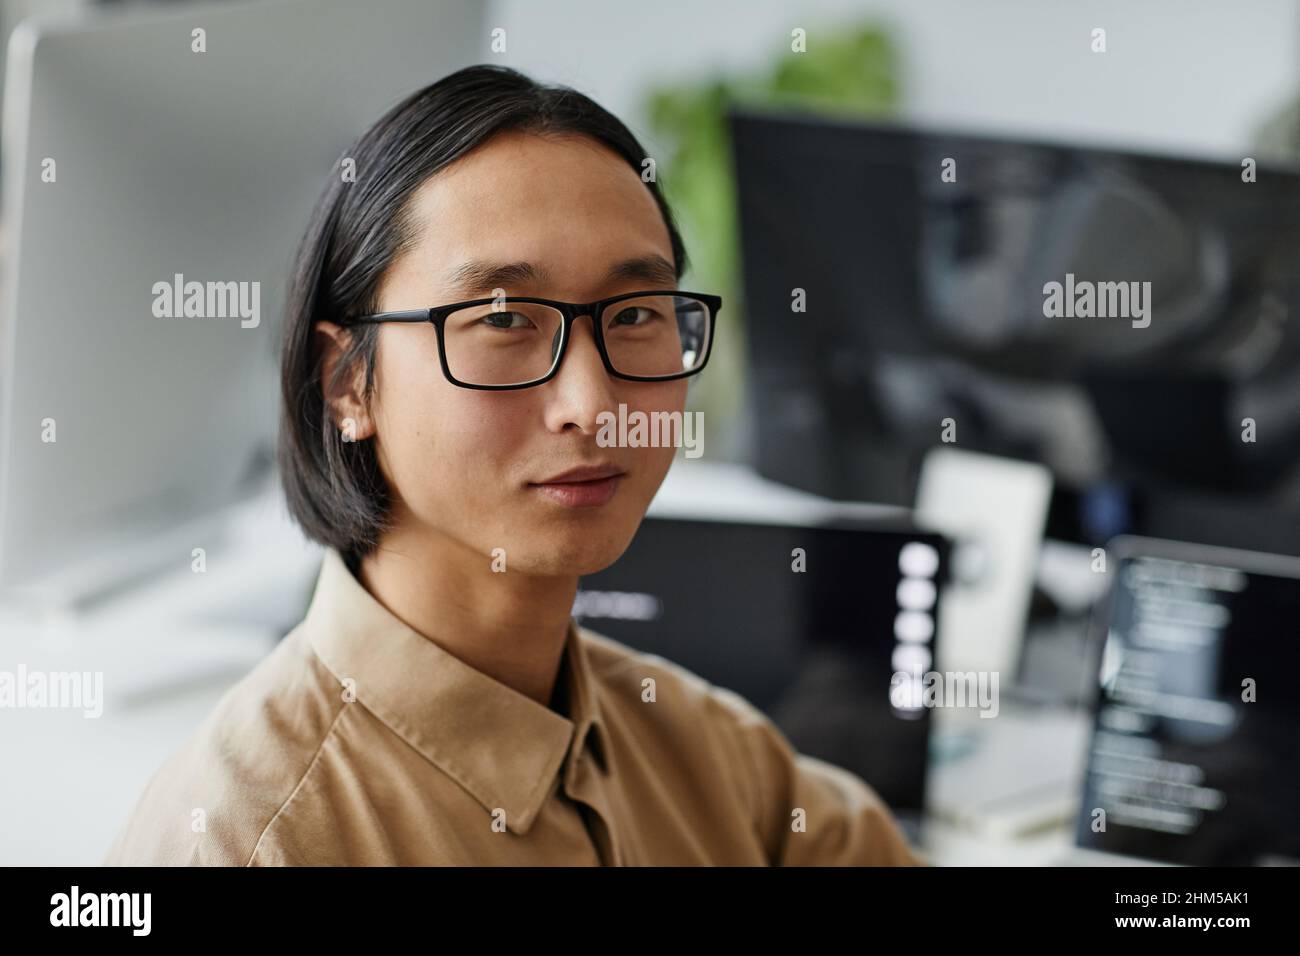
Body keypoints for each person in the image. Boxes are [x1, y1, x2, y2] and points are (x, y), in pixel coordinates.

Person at [104, 64, 921, 866]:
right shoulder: (250, 839)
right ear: (348, 382)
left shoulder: (713, 759)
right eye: (502, 320)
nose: (592, 406)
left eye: (635, 313)